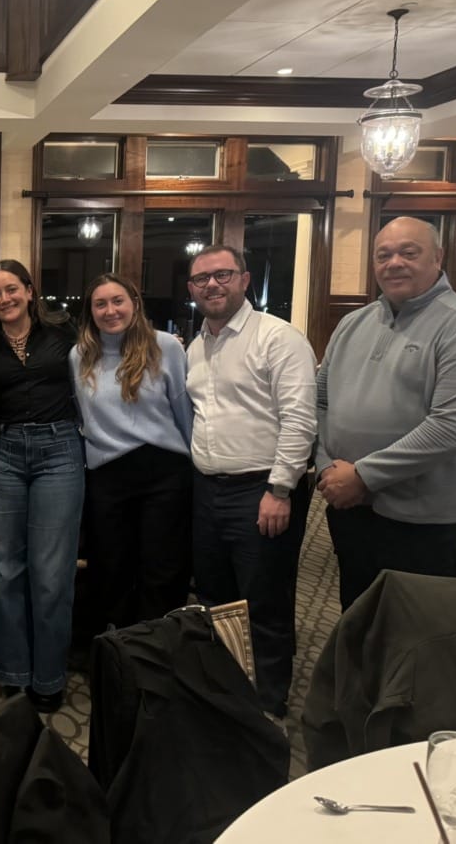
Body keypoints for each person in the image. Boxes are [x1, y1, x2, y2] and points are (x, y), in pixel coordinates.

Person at [316, 216, 456, 610]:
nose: (394, 263)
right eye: (383, 255)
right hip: (350, 507)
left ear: (437, 257)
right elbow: (319, 403)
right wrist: (326, 469)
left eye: (408, 252)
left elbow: (449, 429)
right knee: (359, 618)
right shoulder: (352, 324)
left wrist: (363, 476)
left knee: (420, 635)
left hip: (426, 520)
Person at [184, 245, 317, 719]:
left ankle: (268, 703)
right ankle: (229, 687)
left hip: (262, 490)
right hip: (207, 490)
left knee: (263, 598)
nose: (212, 285)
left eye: (222, 275)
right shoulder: (195, 346)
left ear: (243, 279)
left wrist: (280, 489)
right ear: (191, 290)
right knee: (215, 597)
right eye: (202, 279)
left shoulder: (277, 338)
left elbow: (300, 419)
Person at [0, 260, 83, 713]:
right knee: (4, 569)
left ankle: (49, 676)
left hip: (59, 450)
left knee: (52, 574)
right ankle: (15, 674)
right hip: (3, 452)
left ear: (30, 291)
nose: (4, 299)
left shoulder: (64, 335)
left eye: (11, 290)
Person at [71, 272, 194, 632]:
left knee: (162, 570)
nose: (110, 310)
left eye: (118, 301)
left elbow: (182, 411)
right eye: (100, 304)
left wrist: (192, 466)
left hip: (164, 473)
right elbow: (82, 415)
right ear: (90, 312)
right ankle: (121, 656)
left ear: (135, 304)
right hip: (107, 476)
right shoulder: (78, 357)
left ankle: (156, 658)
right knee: (111, 568)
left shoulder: (165, 347)